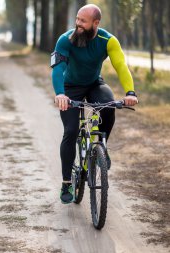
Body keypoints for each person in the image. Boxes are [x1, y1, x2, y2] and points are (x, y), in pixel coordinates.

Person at [51, 4, 138, 204]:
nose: (78, 24)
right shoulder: (66, 39)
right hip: (70, 87)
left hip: (94, 84)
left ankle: (101, 145)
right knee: (71, 130)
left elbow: (120, 66)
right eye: (77, 19)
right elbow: (57, 68)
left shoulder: (108, 40)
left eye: (83, 21)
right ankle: (66, 182)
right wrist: (60, 94)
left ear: (96, 23)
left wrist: (130, 92)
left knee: (108, 105)